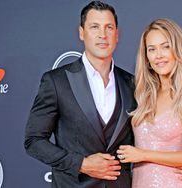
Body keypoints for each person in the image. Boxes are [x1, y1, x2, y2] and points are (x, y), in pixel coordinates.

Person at [24, 1, 136, 187]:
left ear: (117, 35)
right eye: (94, 27)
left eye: (109, 27)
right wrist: (81, 164)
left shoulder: (132, 84)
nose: (102, 35)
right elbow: (34, 141)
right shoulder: (56, 81)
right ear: (81, 33)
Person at [117, 18, 182, 188]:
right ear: (146, 57)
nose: (158, 55)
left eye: (165, 46)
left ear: (177, 49)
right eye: (152, 49)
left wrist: (142, 155)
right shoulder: (143, 94)